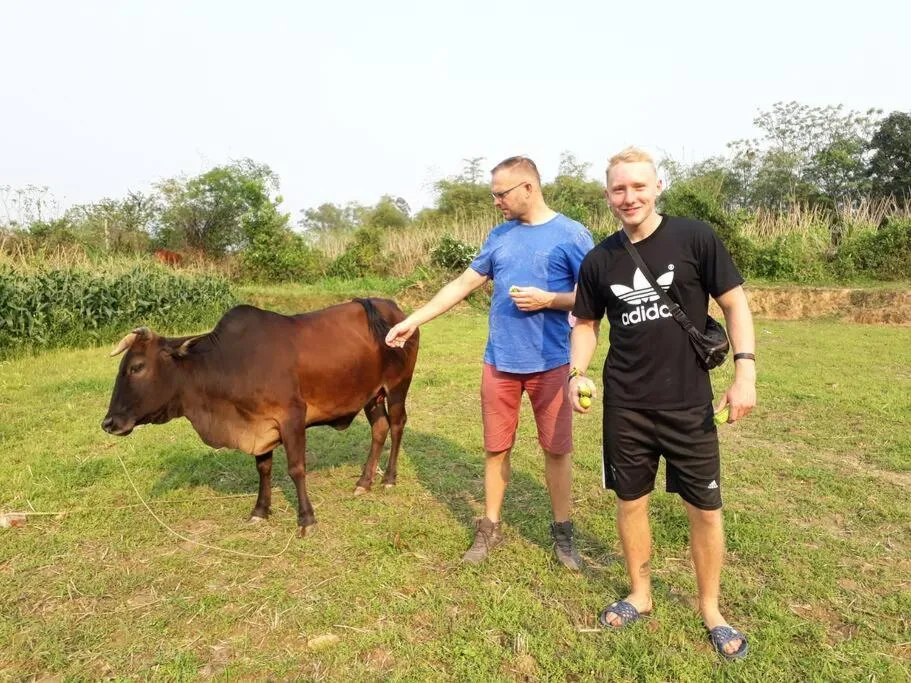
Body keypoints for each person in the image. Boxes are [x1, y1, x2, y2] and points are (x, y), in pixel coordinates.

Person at [568, 147, 756, 659]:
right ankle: (641, 593)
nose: (629, 197)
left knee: (705, 508)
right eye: (618, 189)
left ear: (657, 188)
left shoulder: (695, 236)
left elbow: (735, 301)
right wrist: (576, 372)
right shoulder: (599, 259)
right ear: (608, 195)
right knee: (630, 502)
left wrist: (746, 371)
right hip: (625, 405)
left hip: (688, 404)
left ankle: (712, 609)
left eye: (638, 187)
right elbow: (585, 324)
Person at [386, 156, 594, 570]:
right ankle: (490, 527)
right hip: (499, 363)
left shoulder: (572, 235)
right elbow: (463, 284)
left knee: (556, 451)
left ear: (528, 188)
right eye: (493, 194)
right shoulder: (499, 236)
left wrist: (548, 299)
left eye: (502, 193)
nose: (496, 200)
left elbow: (595, 298)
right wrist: (412, 320)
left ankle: (563, 534)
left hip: (552, 364)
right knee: (496, 448)